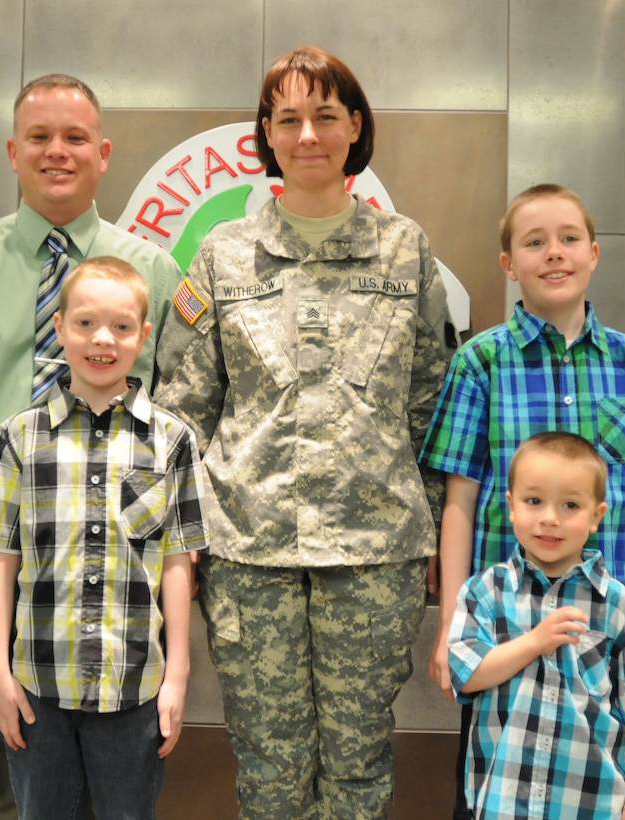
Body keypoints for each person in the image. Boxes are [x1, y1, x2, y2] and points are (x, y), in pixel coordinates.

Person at [153, 45, 451, 819]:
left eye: (325, 115)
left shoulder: (403, 249)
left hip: (374, 552)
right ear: (267, 133)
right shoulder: (222, 255)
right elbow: (183, 411)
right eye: (288, 118)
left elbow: (430, 401)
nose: (308, 134)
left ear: (355, 126)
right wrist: (182, 545)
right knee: (269, 767)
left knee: (357, 765)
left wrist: (424, 522)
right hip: (248, 553)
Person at [0, 75, 182, 819]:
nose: (58, 152)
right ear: (13, 152)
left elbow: (180, 403)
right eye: (41, 138)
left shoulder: (151, 271)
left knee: (110, 728)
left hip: (114, 534)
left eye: (75, 138)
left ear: (104, 153)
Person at [418, 183, 625, 817]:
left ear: (594, 253)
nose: (553, 253)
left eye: (568, 239)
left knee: (602, 782)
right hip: (503, 628)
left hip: (602, 619)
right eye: (533, 242)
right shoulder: (481, 363)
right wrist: (450, 625)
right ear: (508, 264)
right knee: (494, 781)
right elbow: (460, 498)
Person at [0, 257, 207, 819]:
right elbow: (0, 559)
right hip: (37, 685)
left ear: (143, 336)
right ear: (60, 327)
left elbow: (176, 565)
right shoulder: (19, 437)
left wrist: (178, 676)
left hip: (134, 688)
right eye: (86, 323)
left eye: (121, 327)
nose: (102, 340)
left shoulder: (172, 441)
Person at [448, 431, 625, 818]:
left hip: (590, 800)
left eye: (570, 505)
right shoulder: (486, 592)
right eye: (534, 501)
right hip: (504, 801)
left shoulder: (620, 607)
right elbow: (466, 673)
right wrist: (534, 642)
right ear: (510, 506)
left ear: (596, 516)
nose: (549, 518)